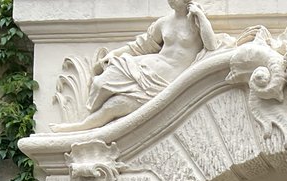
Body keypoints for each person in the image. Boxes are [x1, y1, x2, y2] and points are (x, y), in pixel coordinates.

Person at [57, 0, 217, 132]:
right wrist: (115, 54)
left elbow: (211, 46)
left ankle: (83, 127)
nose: (171, 1)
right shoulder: (164, 22)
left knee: (115, 106)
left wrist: (201, 16)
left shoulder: (196, 22)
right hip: (144, 66)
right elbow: (140, 46)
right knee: (100, 83)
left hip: (165, 80)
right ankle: (85, 117)